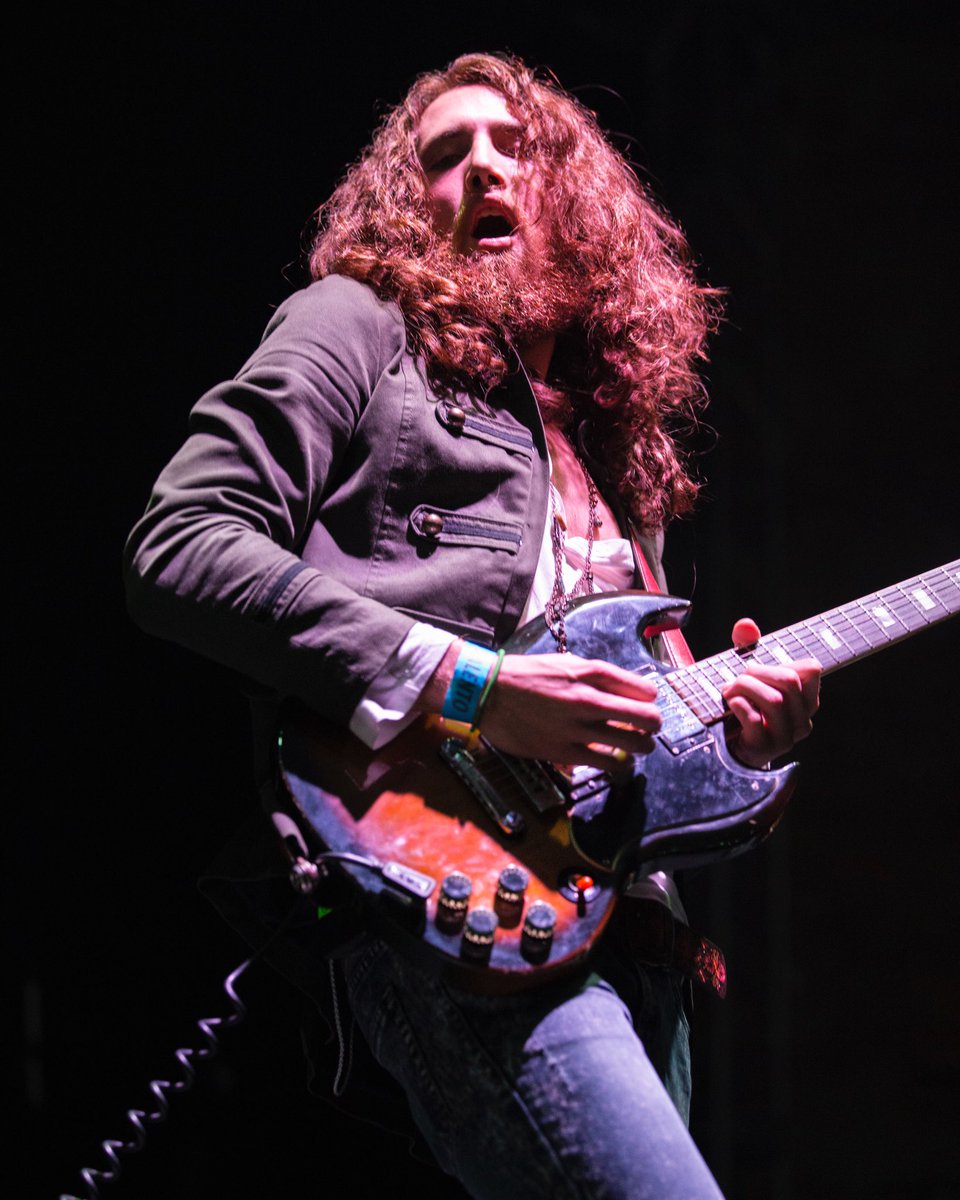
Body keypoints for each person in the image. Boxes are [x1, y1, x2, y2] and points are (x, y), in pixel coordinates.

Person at [124, 52, 821, 1200]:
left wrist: (750, 745)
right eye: (445, 156)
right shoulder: (356, 328)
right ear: (410, 208)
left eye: (516, 150)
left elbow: (640, 750)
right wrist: (474, 687)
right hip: (448, 894)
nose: (484, 170)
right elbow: (181, 541)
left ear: (573, 204)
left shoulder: (607, 454)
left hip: (632, 936)